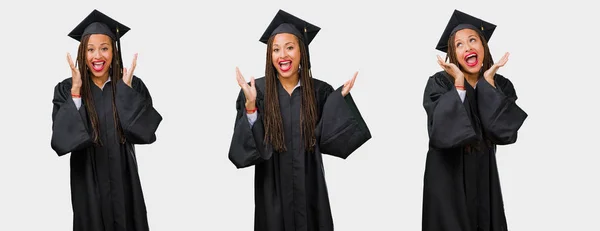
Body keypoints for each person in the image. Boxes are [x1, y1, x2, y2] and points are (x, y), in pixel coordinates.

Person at [228, 9, 371, 231]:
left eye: (290, 47)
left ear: (302, 51)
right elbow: (243, 152)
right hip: (272, 188)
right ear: (270, 56)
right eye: (275, 49)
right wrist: (251, 107)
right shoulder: (259, 92)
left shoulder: (319, 91)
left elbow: (330, 140)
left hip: (309, 185)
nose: (282, 55)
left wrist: (337, 102)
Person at [50, 9, 162, 231]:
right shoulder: (66, 89)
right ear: (82, 53)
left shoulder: (131, 84)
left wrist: (125, 92)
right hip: (88, 185)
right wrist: (76, 93)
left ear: (114, 51)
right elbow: (60, 141)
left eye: (104, 48)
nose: (97, 56)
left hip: (124, 180)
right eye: (90, 49)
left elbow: (146, 133)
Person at [422, 9, 528, 231]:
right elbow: (440, 131)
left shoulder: (501, 85)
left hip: (483, 173)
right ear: (453, 53)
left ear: (483, 46)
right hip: (445, 176)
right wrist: (459, 84)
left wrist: (488, 85)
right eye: (459, 45)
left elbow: (504, 133)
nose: (467, 47)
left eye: (472, 40)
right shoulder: (440, 83)